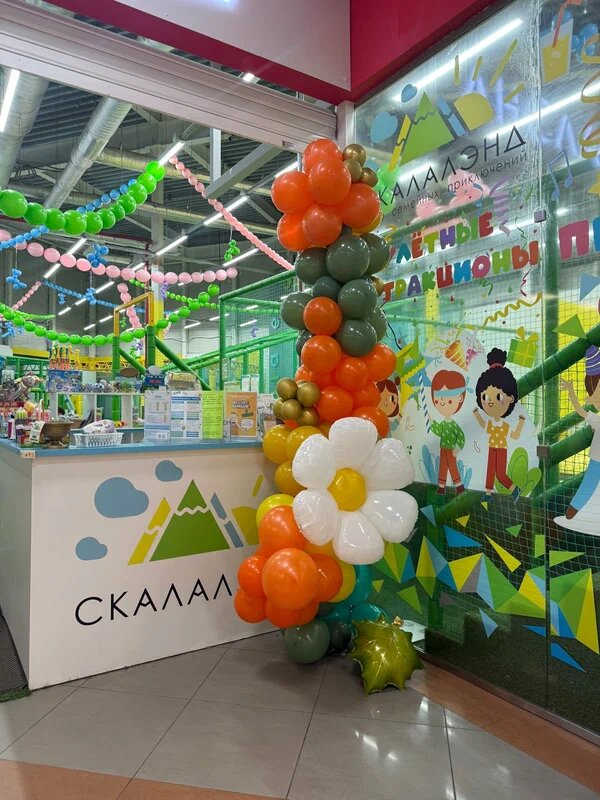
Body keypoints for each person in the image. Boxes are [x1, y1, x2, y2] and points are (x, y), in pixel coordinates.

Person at [473, 348, 525, 501]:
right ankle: (488, 493)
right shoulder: (491, 423)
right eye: (485, 397)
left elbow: (515, 435)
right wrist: (476, 414)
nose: (489, 402)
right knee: (490, 471)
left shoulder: (505, 426)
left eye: (498, 397)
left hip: (501, 449)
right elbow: (483, 425)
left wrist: (521, 422)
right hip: (492, 448)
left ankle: (514, 489)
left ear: (510, 398)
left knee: (500, 474)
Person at [560, 345, 600, 519]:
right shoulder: (597, 419)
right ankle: (574, 508)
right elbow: (580, 410)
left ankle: (575, 509)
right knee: (589, 483)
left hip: (596, 458)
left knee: (590, 484)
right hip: (597, 459)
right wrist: (571, 391)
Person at [430, 369, 466, 494]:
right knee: (443, 467)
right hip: (443, 448)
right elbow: (438, 431)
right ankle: (441, 487)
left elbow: (461, 436)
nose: (442, 404)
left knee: (452, 466)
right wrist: (432, 423)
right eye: (437, 401)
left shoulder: (454, 425)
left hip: (451, 449)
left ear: (459, 398)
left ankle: (459, 486)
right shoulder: (443, 424)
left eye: (449, 401)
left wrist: (458, 448)